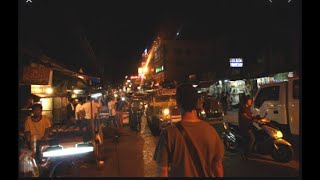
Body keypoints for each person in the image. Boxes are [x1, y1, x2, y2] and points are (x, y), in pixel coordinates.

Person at [153, 83, 224, 177]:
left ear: (178, 103)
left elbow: (162, 171)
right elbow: (217, 167)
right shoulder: (211, 131)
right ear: (197, 103)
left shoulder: (168, 134)